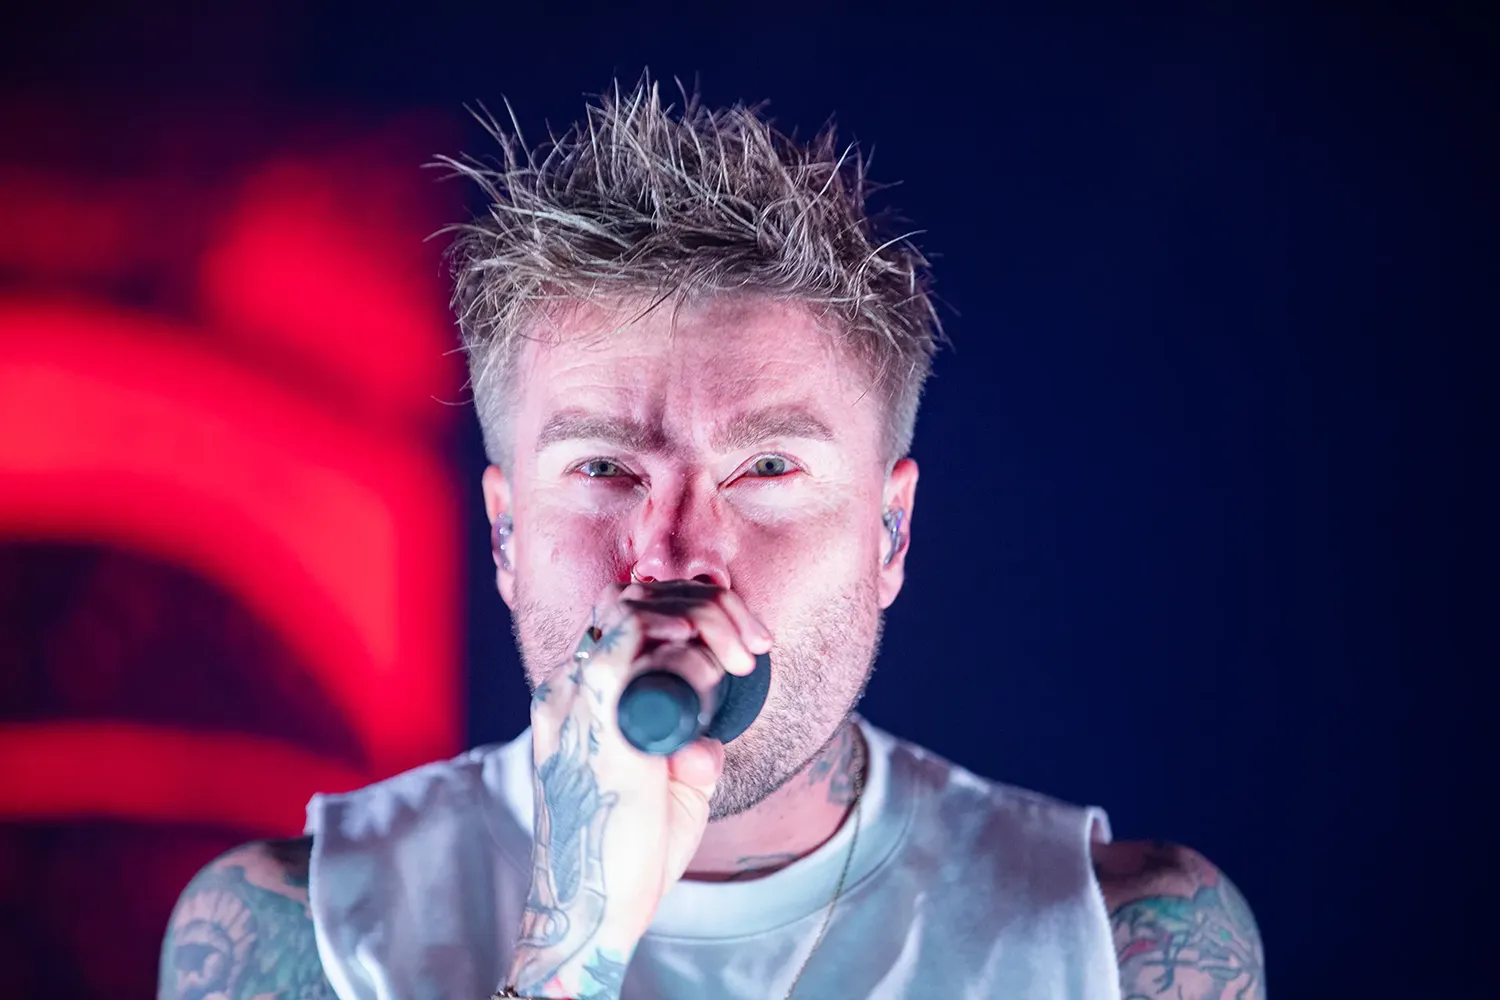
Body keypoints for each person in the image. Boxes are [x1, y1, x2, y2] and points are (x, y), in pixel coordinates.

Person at [158, 78, 1265, 1000]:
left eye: (768, 469)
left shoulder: (1119, 946)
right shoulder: (300, 932)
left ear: (890, 532)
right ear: (504, 535)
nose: (677, 553)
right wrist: (572, 948)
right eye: (604, 469)